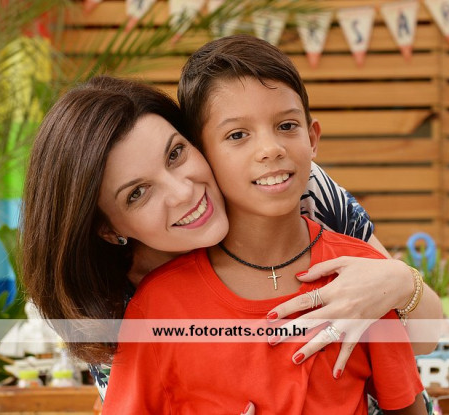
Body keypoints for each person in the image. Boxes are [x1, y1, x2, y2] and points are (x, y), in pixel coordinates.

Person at [101, 34, 427, 414]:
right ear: (205, 153)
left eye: (286, 126)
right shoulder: (156, 305)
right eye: (237, 135)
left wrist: (400, 280)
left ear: (312, 138)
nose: (271, 149)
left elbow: (410, 395)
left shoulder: (362, 279)